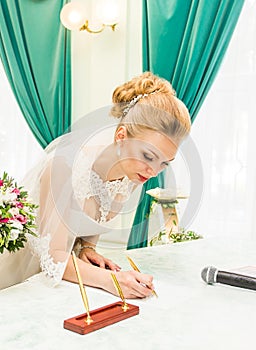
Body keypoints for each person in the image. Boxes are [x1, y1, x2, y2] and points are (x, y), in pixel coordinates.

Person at [25, 71, 191, 299]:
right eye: (148, 156)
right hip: (25, 270)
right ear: (121, 136)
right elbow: (53, 257)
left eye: (165, 163)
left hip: (69, 278)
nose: (153, 171)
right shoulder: (64, 165)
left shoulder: (134, 171)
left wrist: (87, 249)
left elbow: (91, 220)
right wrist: (113, 281)